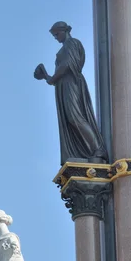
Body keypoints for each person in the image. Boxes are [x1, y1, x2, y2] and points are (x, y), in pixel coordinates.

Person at [34, 21, 107, 165]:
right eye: (54, 35)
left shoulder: (72, 43)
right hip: (63, 85)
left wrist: (52, 78)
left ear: (65, 31)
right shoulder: (66, 46)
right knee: (70, 119)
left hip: (71, 83)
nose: (56, 37)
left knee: (75, 117)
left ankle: (98, 149)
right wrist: (46, 77)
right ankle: (85, 151)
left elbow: (67, 64)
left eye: (57, 34)